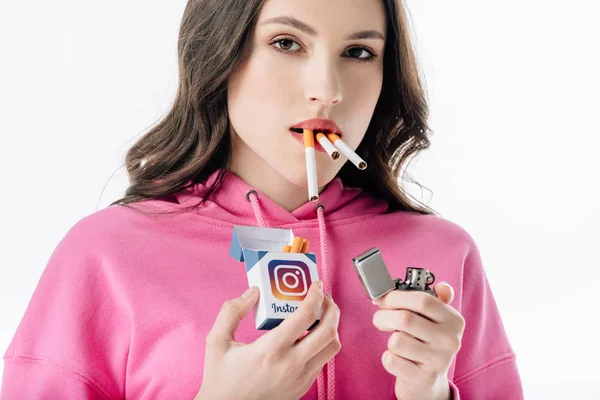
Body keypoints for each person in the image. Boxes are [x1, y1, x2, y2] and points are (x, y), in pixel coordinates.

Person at [1, 0, 524, 399]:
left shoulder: (445, 257)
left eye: (359, 52)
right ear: (221, 54)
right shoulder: (106, 254)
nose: (328, 89)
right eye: (287, 43)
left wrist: (432, 393)